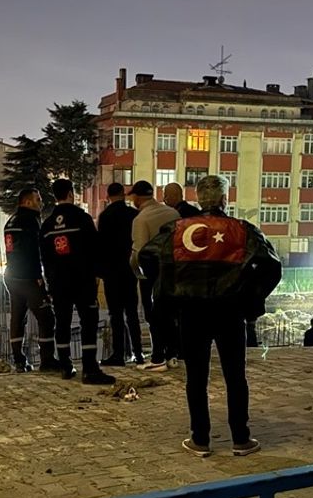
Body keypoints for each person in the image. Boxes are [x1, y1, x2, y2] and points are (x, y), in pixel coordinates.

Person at [139, 174, 282, 457]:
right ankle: (241, 438)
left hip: (191, 312)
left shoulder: (176, 229)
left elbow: (147, 257)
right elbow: (271, 266)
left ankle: (200, 439)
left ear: (197, 199)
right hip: (229, 311)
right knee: (235, 375)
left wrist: (170, 289)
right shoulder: (242, 230)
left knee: (196, 376)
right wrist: (250, 299)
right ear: (225, 200)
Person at [40, 178, 116, 385]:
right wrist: (98, 273)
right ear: (71, 194)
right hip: (82, 280)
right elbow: (95, 247)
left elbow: (45, 257)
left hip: (58, 282)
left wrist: (49, 281)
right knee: (88, 322)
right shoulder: (81, 219)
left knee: (62, 322)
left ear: (55, 196)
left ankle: (65, 365)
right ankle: (90, 368)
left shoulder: (47, 225)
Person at [3, 187, 58, 372]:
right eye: (38, 199)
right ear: (27, 202)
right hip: (28, 278)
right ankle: (47, 360)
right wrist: (39, 277)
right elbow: (34, 251)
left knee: (17, 317)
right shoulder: (31, 221)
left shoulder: (11, 221)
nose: (41, 203)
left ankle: (19, 360)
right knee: (46, 318)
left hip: (11, 276)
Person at [129, 180, 181, 371]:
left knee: (154, 315)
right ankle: (172, 354)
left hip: (151, 274)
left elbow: (139, 252)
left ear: (137, 197)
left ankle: (158, 356)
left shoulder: (141, 220)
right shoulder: (173, 213)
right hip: (174, 271)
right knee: (171, 314)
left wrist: (136, 272)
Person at [96, 182, 145, 366]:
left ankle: (119, 354)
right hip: (129, 270)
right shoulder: (133, 214)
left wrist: (100, 271)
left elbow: (100, 245)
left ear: (109, 196)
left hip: (111, 272)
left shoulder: (105, 216)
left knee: (115, 314)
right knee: (132, 313)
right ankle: (138, 353)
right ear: (123, 195)